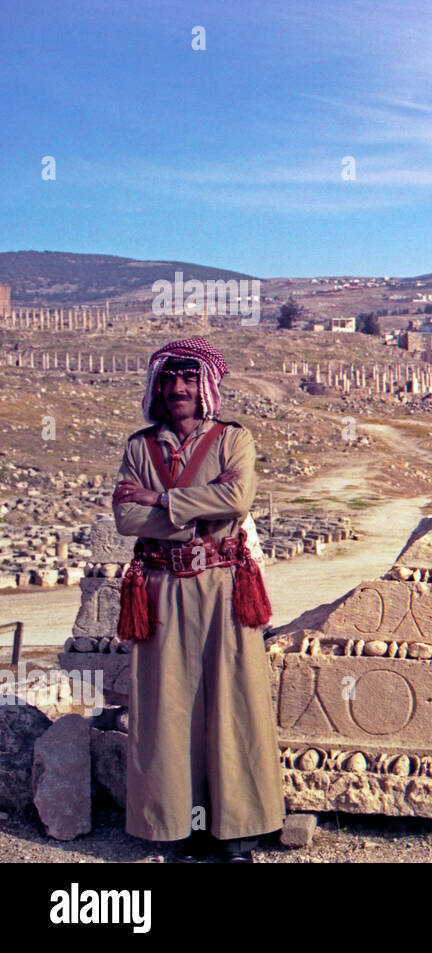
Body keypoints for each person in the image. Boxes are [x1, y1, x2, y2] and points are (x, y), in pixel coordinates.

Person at [112, 338, 283, 862]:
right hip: (160, 589)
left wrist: (161, 499)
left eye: (188, 380)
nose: (178, 389)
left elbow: (237, 499)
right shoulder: (140, 448)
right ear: (158, 387)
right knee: (168, 707)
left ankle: (237, 831)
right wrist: (196, 515)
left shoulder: (235, 440)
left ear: (205, 385)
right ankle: (176, 828)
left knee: (235, 701)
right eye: (169, 380)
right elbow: (126, 518)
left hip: (224, 585)